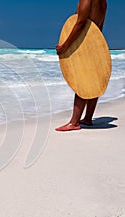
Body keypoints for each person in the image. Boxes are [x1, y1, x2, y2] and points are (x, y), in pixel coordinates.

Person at [55, 0, 107, 131]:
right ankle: (88, 118)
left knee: (82, 79)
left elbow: (81, 22)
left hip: (84, 43)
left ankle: (74, 122)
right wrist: (96, 46)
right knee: (94, 80)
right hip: (96, 43)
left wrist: (65, 45)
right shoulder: (104, 2)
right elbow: (98, 27)